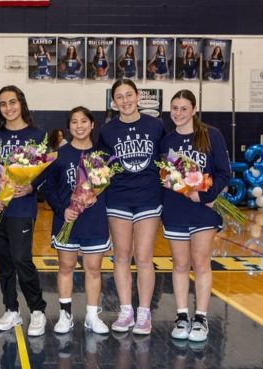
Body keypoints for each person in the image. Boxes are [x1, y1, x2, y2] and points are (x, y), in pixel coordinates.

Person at [161, 90, 230, 342]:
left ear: (194, 109)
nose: (178, 113)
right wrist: (172, 184)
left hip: (203, 210)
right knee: (179, 265)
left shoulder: (211, 135)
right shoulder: (166, 141)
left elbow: (224, 173)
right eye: (174, 108)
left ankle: (200, 318)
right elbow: (164, 175)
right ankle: (181, 316)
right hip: (175, 210)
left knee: (201, 263)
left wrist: (204, 195)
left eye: (183, 108)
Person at [98, 79, 164, 335]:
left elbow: (165, 161)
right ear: (114, 102)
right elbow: (102, 165)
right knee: (122, 256)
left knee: (144, 257)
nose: (125, 101)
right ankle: (126, 310)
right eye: (119, 97)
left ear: (138, 97)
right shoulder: (107, 131)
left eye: (129, 95)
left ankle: (144, 313)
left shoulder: (155, 126)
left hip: (148, 196)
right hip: (118, 197)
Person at [0, 85, 47, 337]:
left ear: (21, 103)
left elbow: (45, 172)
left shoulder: (36, 134)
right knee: (3, 262)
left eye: (12, 102)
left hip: (21, 207)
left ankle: (38, 309)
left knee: (21, 259)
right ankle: (11, 309)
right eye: (3, 104)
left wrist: (32, 187)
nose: (8, 108)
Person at [43, 107, 111, 335]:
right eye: (74, 122)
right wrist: (62, 211)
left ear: (92, 125)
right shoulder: (59, 155)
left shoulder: (103, 155)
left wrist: (95, 197)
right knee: (66, 267)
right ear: (68, 126)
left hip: (94, 220)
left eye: (84, 121)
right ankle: (65, 315)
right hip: (67, 221)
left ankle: (92, 316)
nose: (79, 125)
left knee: (93, 269)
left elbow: (109, 186)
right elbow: (49, 189)